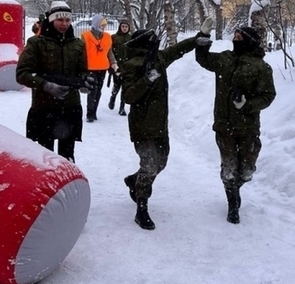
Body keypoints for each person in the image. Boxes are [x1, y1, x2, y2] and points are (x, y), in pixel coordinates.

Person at [121, 19, 212, 230]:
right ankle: (141, 208)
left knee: (161, 163)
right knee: (150, 166)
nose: (157, 43)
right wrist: (147, 80)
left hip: (160, 123)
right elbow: (128, 96)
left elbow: (178, 49)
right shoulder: (131, 65)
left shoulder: (159, 58)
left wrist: (198, 37)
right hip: (142, 124)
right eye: (153, 40)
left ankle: (135, 180)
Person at [195, 25, 276, 224]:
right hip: (224, 124)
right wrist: (203, 37)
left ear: (249, 40)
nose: (235, 39)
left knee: (247, 170)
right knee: (229, 167)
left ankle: (236, 187)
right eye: (235, 36)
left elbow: (268, 95)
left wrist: (247, 104)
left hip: (248, 127)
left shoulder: (261, 67)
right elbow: (203, 59)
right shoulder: (225, 59)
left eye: (240, 37)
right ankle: (232, 202)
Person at [16, 1, 92, 162]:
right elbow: (22, 73)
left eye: (67, 20)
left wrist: (85, 81)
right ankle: (47, 186)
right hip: (44, 107)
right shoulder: (36, 43)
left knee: (67, 156)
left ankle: (67, 185)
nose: (64, 24)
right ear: (51, 20)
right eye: (60, 20)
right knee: (44, 157)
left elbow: (82, 71)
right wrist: (46, 85)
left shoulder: (77, 44)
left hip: (70, 107)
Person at [81, 14, 117, 122]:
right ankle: (90, 113)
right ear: (96, 24)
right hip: (90, 68)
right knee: (92, 90)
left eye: (105, 25)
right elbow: (81, 53)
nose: (104, 27)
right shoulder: (85, 36)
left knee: (98, 91)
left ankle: (94, 111)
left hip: (102, 68)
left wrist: (113, 63)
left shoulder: (107, 37)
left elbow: (109, 52)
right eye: (102, 25)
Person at [108, 19, 132, 116]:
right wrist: (111, 65)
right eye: (123, 26)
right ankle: (113, 98)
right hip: (117, 65)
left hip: (128, 66)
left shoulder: (131, 38)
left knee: (125, 87)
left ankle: (122, 108)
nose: (124, 28)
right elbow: (109, 51)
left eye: (126, 27)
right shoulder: (114, 37)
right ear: (120, 27)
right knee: (117, 84)